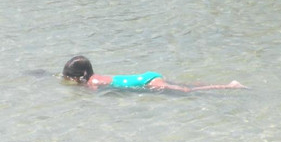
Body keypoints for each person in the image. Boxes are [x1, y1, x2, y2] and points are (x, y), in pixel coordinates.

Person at [61, 55, 245, 92]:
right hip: (148, 75)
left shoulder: (92, 83)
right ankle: (226, 84)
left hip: (151, 83)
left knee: (186, 91)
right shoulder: (97, 76)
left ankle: (230, 86)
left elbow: (92, 92)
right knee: (185, 85)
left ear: (79, 76)